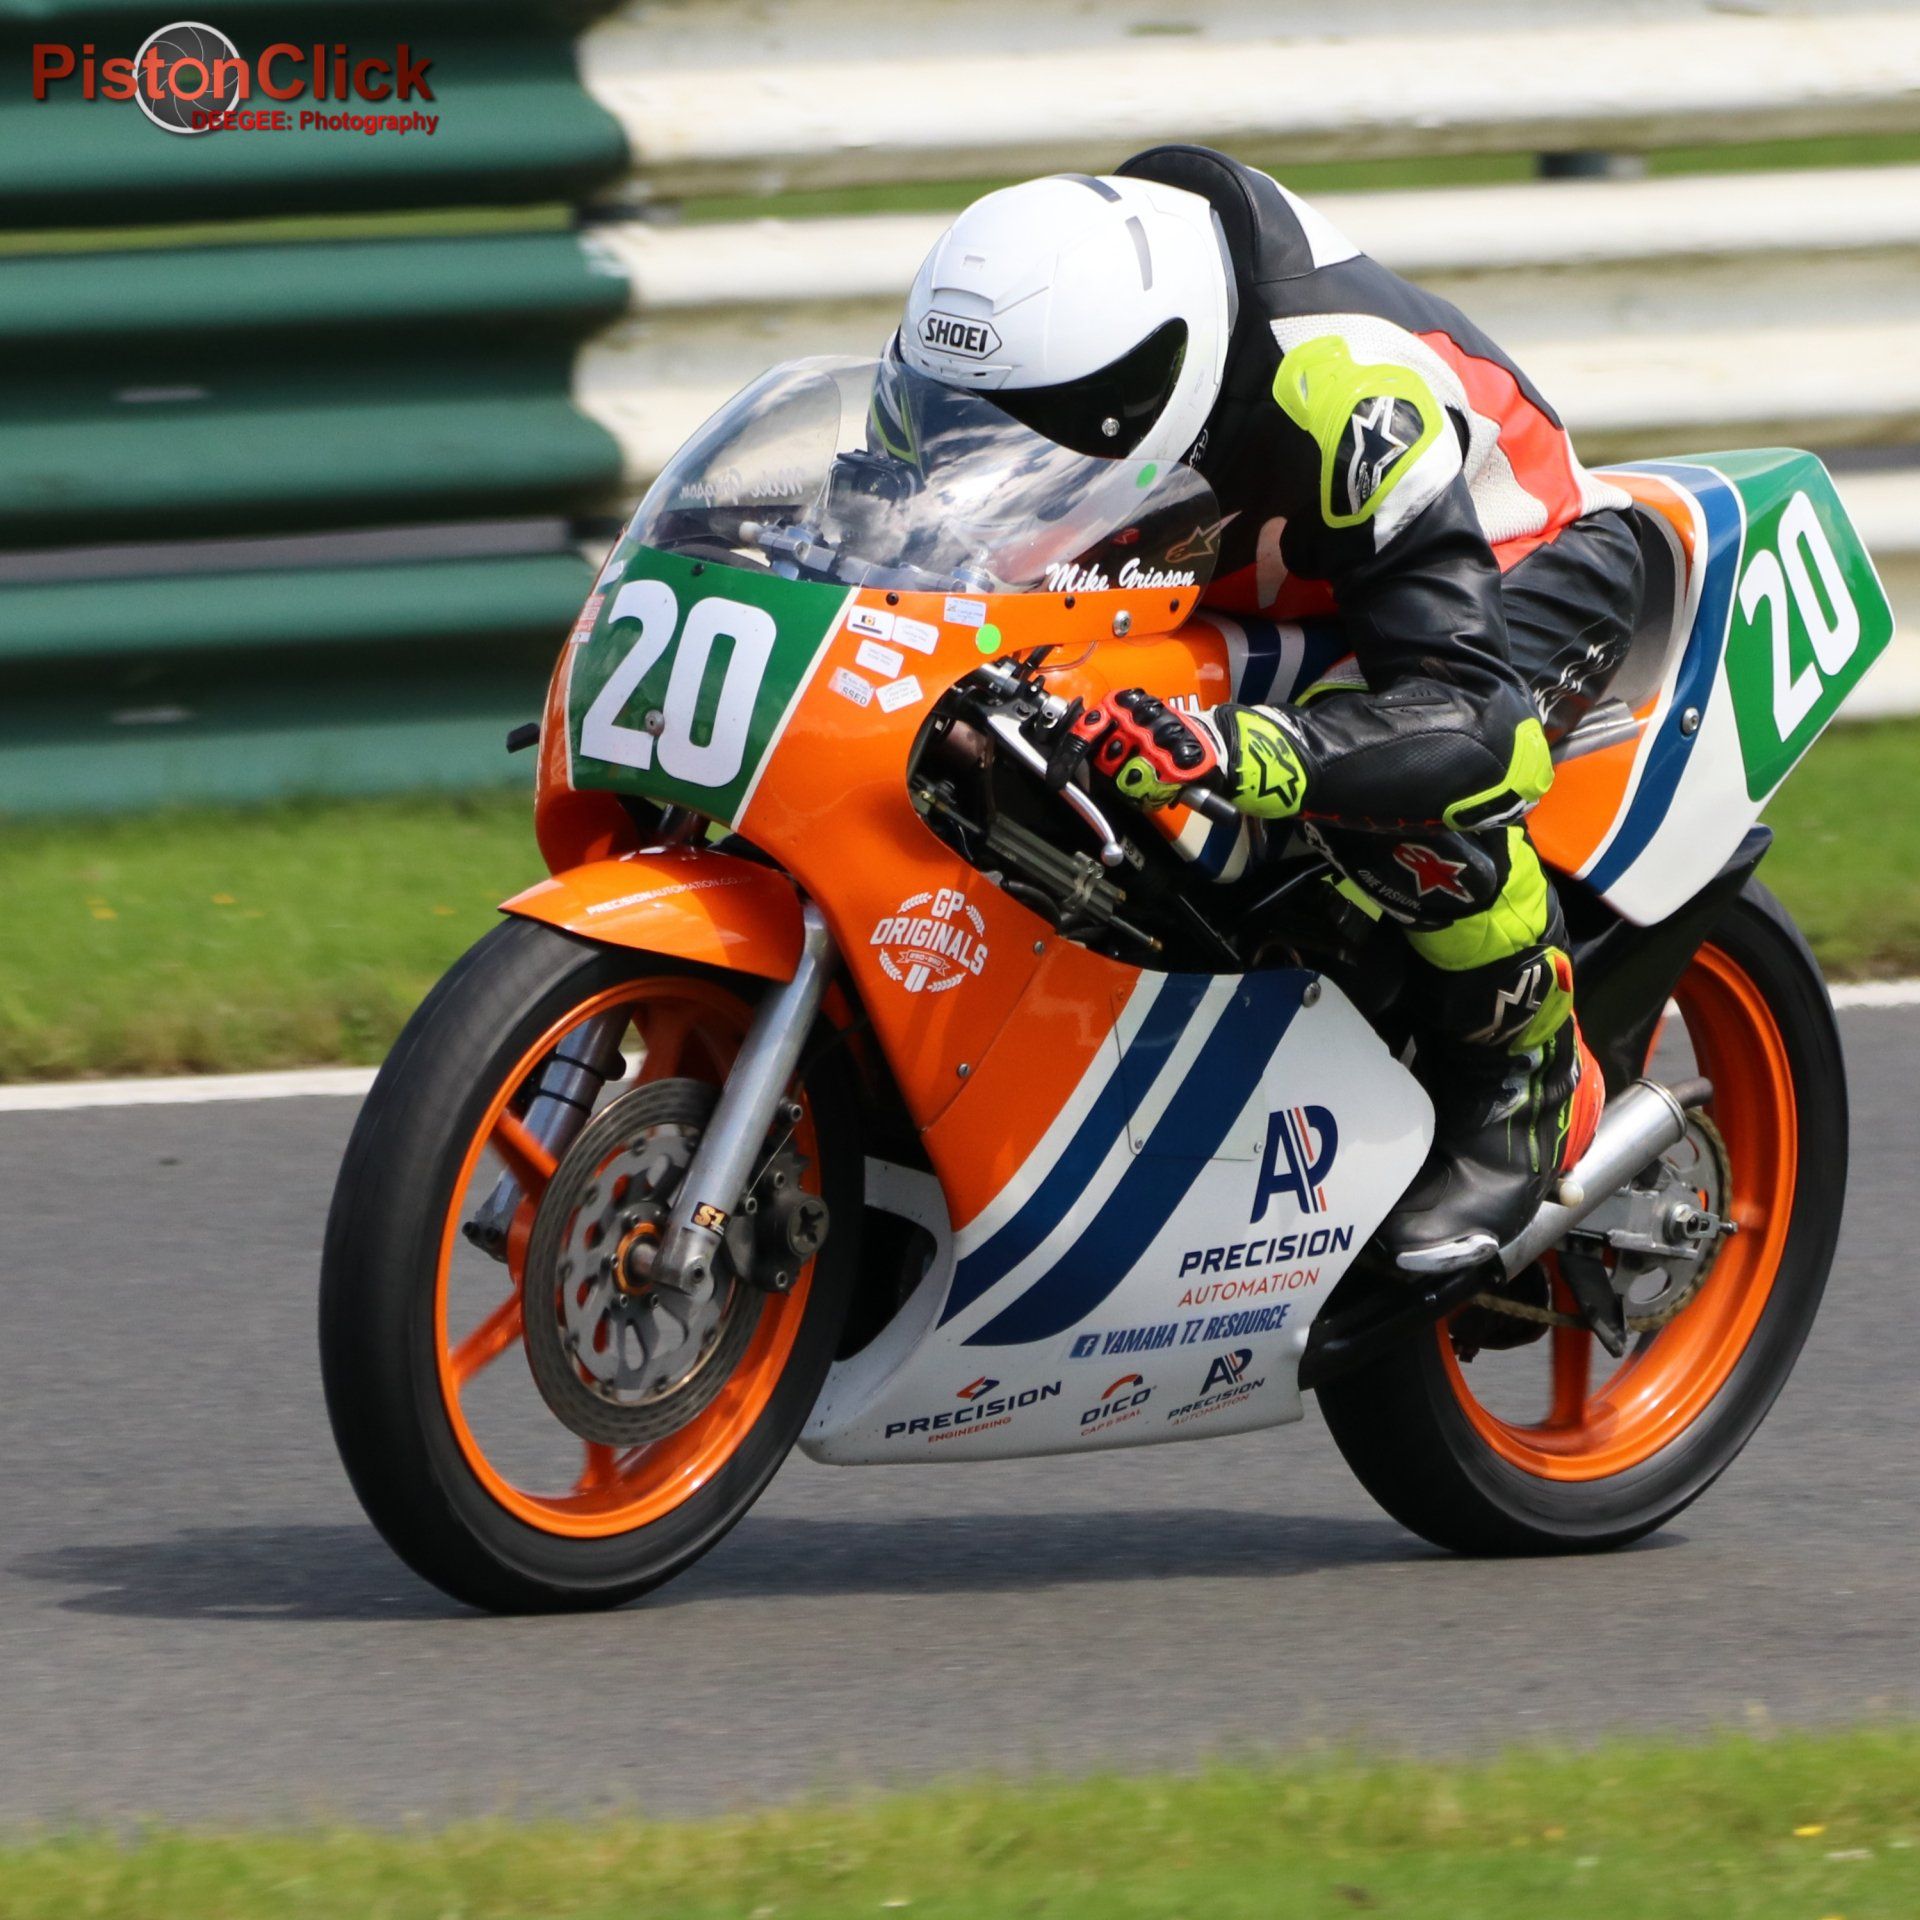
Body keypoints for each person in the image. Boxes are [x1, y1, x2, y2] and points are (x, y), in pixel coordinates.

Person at [894, 146, 1643, 1272]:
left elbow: (1470, 722)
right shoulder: (1024, 342)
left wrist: (1246, 747)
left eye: (1038, 427)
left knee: (1379, 766)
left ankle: (1523, 1075)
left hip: (1503, 560)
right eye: (975, 421)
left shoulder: (1347, 395)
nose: (1004, 451)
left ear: (1148, 387)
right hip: (1271, 576)